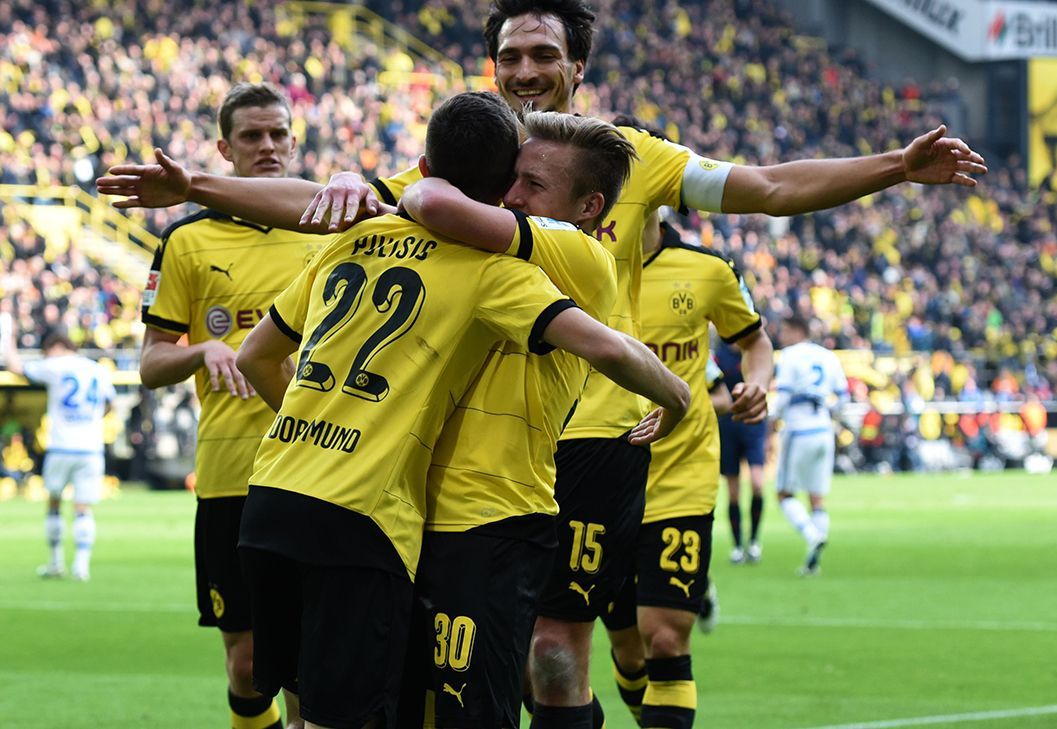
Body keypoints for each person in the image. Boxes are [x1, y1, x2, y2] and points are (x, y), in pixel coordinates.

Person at [97, 3, 985, 721]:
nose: (524, 68)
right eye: (509, 54)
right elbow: (332, 206)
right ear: (492, 70)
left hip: (587, 436)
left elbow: (770, 187)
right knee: (407, 683)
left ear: (577, 66)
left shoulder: (625, 160)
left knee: (555, 657)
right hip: (440, 467)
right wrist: (202, 190)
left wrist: (894, 168)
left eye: (542, 52)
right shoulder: (456, 167)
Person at [233, 91, 689, 729]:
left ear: (590, 208)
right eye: (512, 177)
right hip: (397, 516)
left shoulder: (564, 259)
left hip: (489, 520)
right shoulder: (467, 253)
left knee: (479, 705)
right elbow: (389, 200)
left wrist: (677, 394)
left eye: (531, 182)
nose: (514, 193)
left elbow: (429, 197)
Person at [137, 83, 324, 729]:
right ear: (224, 147)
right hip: (229, 479)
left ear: (295, 139)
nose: (268, 146)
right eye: (252, 136)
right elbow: (151, 363)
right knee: (246, 666)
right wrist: (202, 350)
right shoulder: (186, 240)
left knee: (308, 661)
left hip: (319, 472)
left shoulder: (331, 225)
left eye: (278, 133)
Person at [599, 209, 772, 727]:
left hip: (683, 477)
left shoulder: (707, 268)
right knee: (628, 650)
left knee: (666, 636)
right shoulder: (580, 260)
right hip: (607, 477)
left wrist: (757, 382)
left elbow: (755, 342)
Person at [5, 331, 115, 581]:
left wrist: (9, 339)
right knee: (83, 508)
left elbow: (17, 367)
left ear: (54, 347)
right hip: (91, 448)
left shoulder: (55, 365)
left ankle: (56, 563)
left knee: (54, 503)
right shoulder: (97, 369)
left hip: (62, 446)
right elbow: (110, 403)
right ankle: (81, 566)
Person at [771, 315, 849, 576]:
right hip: (823, 429)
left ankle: (812, 535)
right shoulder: (828, 356)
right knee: (817, 497)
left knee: (784, 493)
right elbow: (843, 396)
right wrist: (827, 411)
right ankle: (813, 562)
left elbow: (782, 397)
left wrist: (771, 421)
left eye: (784, 330)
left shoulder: (789, 356)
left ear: (796, 331)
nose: (781, 336)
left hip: (798, 429)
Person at [716, 338, 770, 564]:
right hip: (727, 424)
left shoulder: (755, 351)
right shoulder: (719, 356)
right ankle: (738, 546)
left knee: (758, 483)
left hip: (753, 423)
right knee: (733, 490)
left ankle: (754, 542)